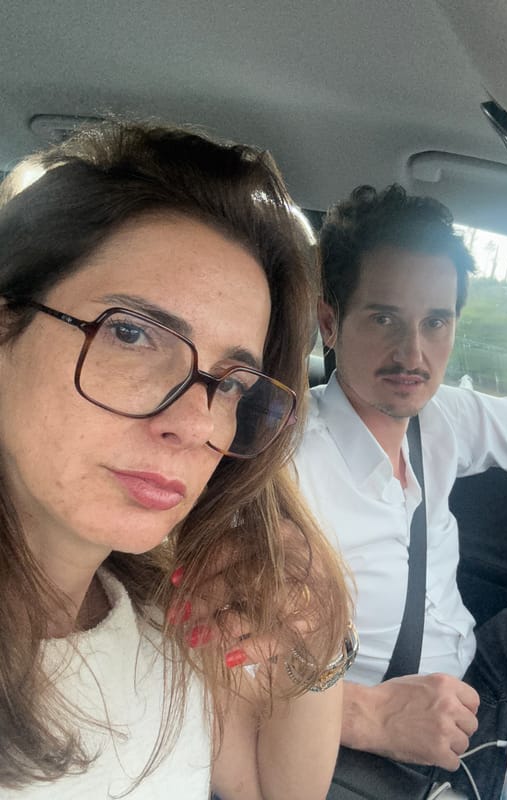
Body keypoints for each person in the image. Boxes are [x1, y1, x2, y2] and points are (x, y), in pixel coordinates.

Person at [0, 120, 355, 798]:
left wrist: (320, 646)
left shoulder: (163, 606)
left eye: (232, 384)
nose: (195, 424)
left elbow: (270, 789)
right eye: (132, 334)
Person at [294, 184, 507, 799]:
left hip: (480, 678)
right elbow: (218, 663)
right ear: (331, 321)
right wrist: (362, 715)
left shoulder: (444, 418)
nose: (413, 352)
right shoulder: (288, 465)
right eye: (384, 318)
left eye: (436, 321)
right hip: (373, 749)